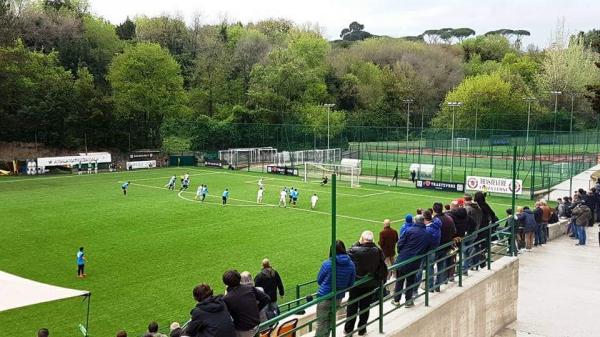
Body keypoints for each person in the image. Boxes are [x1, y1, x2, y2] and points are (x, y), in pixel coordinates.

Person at [344, 231, 387, 336]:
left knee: (352, 306)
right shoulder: (377, 251)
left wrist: (357, 243)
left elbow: (347, 253)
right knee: (365, 306)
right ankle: (362, 329)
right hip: (370, 283)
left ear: (362, 240)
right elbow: (382, 258)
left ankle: (349, 330)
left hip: (356, 284)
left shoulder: (354, 250)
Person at [315, 240, 355, 337]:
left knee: (322, 322)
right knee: (330, 321)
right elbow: (351, 284)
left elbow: (319, 280)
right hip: (338, 297)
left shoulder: (327, 263)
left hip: (324, 297)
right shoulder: (351, 264)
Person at [392, 214, 432, 307]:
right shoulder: (427, 233)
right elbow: (428, 247)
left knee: (400, 281)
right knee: (410, 281)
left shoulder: (409, 230)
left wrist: (401, 253)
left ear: (415, 221)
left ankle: (396, 301)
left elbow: (400, 244)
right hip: (415, 262)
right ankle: (408, 301)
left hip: (403, 260)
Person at [222, 270, 270, 337]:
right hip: (255, 325)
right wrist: (256, 310)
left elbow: (266, 299)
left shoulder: (226, 298)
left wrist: (256, 309)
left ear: (226, 283)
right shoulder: (249, 288)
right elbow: (266, 298)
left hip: (243, 330)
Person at [433, 202, 456, 290]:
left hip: (437, 247)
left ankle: (431, 286)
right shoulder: (449, 218)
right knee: (441, 265)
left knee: (430, 266)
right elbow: (454, 231)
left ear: (434, 210)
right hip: (446, 246)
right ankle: (438, 285)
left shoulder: (435, 220)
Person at [463, 194, 483, 271]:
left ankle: (464, 268)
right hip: (476, 231)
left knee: (464, 250)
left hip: (468, 232)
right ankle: (467, 267)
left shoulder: (468, 208)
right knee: (468, 250)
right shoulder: (478, 207)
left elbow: (465, 220)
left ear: (465, 199)